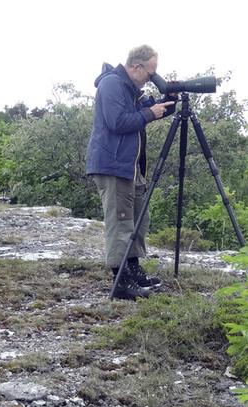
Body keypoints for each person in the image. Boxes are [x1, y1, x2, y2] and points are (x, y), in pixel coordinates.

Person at [86, 45, 172, 300]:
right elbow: (117, 122)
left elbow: (138, 114)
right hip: (113, 165)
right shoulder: (112, 84)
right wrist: (148, 113)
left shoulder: (131, 89)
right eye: (151, 72)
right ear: (136, 66)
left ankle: (133, 270)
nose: (152, 78)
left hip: (130, 166)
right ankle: (121, 281)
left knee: (137, 221)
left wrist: (165, 106)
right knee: (121, 222)